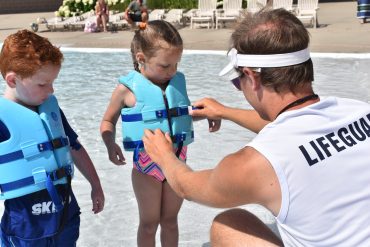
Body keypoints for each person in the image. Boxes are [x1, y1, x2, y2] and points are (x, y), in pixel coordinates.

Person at [142, 8, 370, 247]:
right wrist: (225, 112)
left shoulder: (255, 164)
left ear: (251, 77)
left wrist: (165, 156)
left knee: (228, 224)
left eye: (236, 81)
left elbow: (188, 187)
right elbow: (294, 126)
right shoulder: (360, 109)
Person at [100, 20, 217, 247]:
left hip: (177, 158)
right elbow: (107, 120)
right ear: (141, 58)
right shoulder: (127, 90)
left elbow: (180, 115)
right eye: (165, 66)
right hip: (147, 165)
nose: (172, 71)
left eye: (176, 64)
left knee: (170, 221)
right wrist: (109, 142)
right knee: (149, 224)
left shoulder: (175, 82)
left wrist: (209, 114)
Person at [0, 29, 105, 246]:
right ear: (12, 80)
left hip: (65, 215)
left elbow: (73, 147)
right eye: (43, 84)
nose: (51, 90)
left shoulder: (48, 111)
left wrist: (95, 183)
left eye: (52, 82)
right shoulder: (2, 120)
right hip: (26, 226)